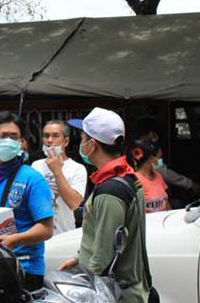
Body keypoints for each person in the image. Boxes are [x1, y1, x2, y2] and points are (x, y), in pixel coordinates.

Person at [59, 107, 151, 303]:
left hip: (114, 294)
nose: (80, 143)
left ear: (92, 145)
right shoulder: (127, 178)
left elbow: (102, 257)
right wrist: (78, 257)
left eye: (83, 138)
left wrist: (83, 284)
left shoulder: (110, 192)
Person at [0, 111, 54, 291]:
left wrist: (14, 240)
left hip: (24, 269)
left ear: (21, 142)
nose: (8, 141)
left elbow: (47, 229)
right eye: (2, 136)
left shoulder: (32, 179)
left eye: (13, 137)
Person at [31, 120, 87, 235]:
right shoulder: (36, 165)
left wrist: (57, 171)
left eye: (55, 136)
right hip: (38, 234)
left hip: (64, 234)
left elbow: (74, 203)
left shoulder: (77, 168)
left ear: (65, 141)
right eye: (46, 136)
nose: (49, 140)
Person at [139, 131, 200, 197]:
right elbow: (167, 174)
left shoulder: (157, 176)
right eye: (159, 156)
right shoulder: (140, 175)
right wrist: (190, 184)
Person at [127, 139, 170, 213]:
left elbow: (166, 203)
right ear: (151, 159)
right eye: (159, 157)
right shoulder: (134, 180)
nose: (161, 160)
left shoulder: (158, 176)